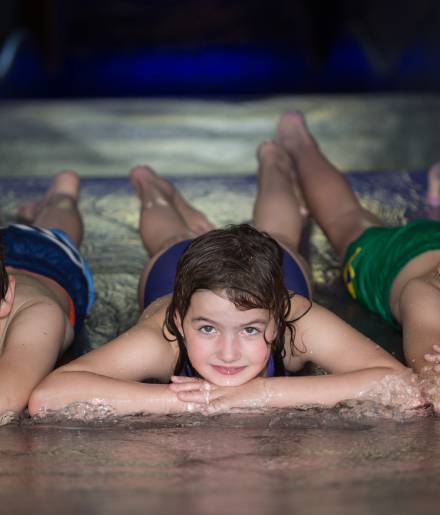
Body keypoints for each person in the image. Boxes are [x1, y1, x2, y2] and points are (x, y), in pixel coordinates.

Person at [29, 143, 421, 418]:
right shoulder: (162, 338)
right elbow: (49, 397)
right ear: (180, 322)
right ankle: (153, 191)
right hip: (173, 275)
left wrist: (261, 394)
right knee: (171, 241)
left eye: (251, 330)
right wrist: (188, 401)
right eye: (207, 329)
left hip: (270, 270)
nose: (228, 353)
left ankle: (273, 163)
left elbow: (402, 385)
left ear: (278, 320)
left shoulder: (297, 321)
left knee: (280, 236)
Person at [275, 110, 440, 379]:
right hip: (385, 258)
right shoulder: (424, 296)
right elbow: (434, 381)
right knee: (346, 220)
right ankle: (301, 146)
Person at [0, 170, 94, 416]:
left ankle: (62, 196)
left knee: (58, 225)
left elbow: (6, 399)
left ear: (5, 301)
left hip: (50, 260)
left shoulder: (39, 318)